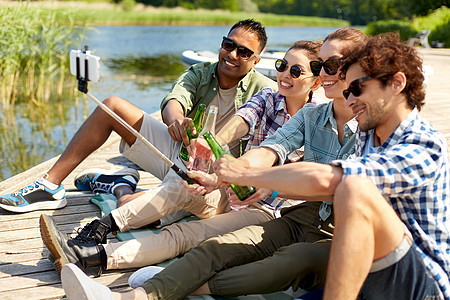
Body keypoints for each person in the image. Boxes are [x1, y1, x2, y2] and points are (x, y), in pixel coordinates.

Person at [61, 33, 449, 300]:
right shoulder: (339, 122)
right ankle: (143, 292)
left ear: (396, 84)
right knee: (215, 246)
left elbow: (331, 181)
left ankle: (179, 280)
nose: (344, 88)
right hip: (315, 222)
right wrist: (223, 173)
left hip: (417, 280)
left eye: (352, 83)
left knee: (345, 197)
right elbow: (271, 149)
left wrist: (250, 178)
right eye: (341, 78)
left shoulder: (419, 143)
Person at [39, 40, 328, 275]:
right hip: (230, 190)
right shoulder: (268, 96)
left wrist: (270, 187)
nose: (285, 75)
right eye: (282, 66)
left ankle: (93, 258)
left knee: (185, 233)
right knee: (183, 182)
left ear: (316, 82)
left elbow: (311, 183)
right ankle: (98, 229)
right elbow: (242, 119)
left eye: (296, 71)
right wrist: (209, 143)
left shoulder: (317, 120)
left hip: (266, 211)